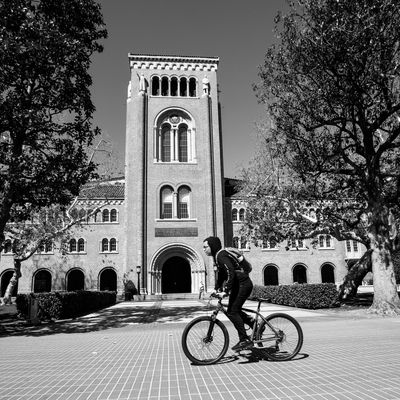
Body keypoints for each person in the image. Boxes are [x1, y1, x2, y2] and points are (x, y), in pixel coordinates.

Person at [203, 236, 254, 351]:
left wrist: (225, 291)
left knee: (232, 312)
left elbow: (230, 271)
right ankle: (254, 323)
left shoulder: (221, 255)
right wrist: (216, 289)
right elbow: (222, 275)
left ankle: (244, 340)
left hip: (243, 284)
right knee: (233, 309)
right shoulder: (218, 257)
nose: (204, 249)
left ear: (212, 246)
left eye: (205, 247)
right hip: (240, 284)